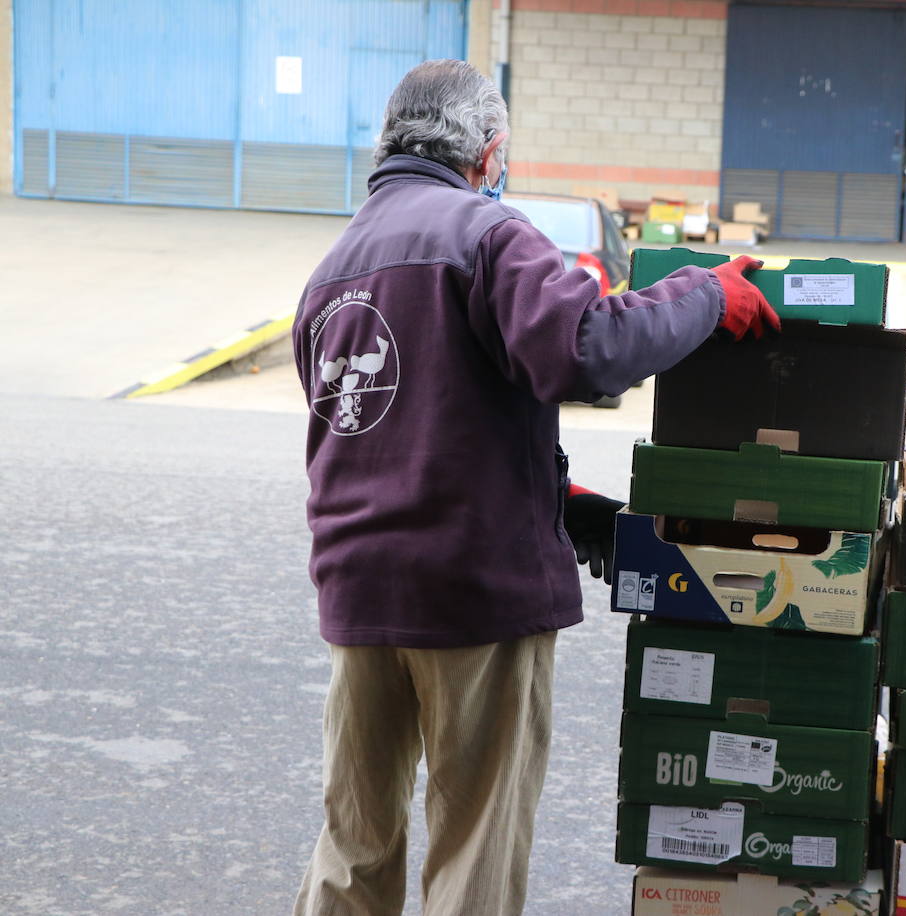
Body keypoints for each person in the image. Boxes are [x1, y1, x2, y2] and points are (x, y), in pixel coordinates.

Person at [289, 59, 778, 916]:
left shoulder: (335, 266)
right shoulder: (484, 232)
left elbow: (404, 435)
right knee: (473, 843)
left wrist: (554, 500)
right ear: (490, 151)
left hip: (360, 596)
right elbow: (584, 349)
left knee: (354, 841)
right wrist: (704, 295)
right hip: (470, 595)